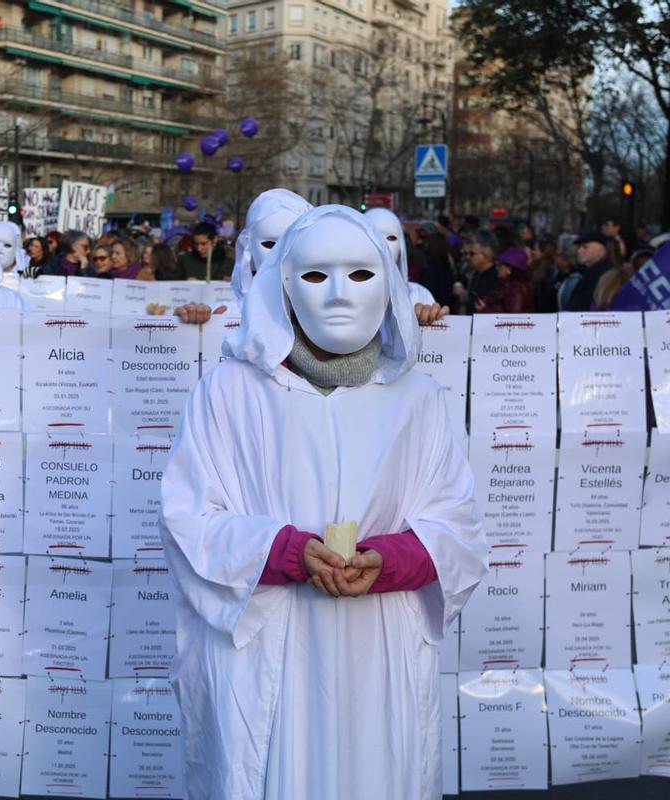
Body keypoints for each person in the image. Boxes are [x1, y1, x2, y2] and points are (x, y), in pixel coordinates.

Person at [161, 205, 486, 800]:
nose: (339, 294)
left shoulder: (418, 399)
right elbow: (189, 518)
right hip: (271, 653)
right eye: (316, 275)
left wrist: (393, 560)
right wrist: (284, 551)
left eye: (360, 274)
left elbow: (456, 524)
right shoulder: (230, 393)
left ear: (387, 282)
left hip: (380, 651)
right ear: (284, 285)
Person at [232, 189, 312, 301]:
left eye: (291, 243)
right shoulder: (229, 310)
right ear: (249, 244)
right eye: (270, 244)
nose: (280, 255)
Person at [365, 208, 437, 306]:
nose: (383, 245)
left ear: (401, 246)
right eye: (374, 236)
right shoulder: (345, 293)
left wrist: (427, 313)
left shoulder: (419, 296)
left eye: (391, 238)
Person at [476, 245, 534, 313]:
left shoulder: (516, 289)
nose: (497, 268)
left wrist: (485, 309)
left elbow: (513, 316)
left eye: (499, 265)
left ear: (509, 269)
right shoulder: (506, 285)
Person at [565, 232, 613, 312]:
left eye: (585, 247)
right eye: (579, 247)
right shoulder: (588, 272)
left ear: (601, 250)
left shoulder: (605, 274)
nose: (579, 251)